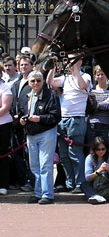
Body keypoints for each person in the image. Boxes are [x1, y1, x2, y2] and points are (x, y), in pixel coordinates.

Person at [46, 54, 92, 193]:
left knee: (75, 153)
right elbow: (51, 83)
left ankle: (80, 183)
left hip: (76, 119)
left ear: (80, 61)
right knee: (64, 154)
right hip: (63, 119)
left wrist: (75, 69)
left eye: (74, 59)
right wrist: (52, 67)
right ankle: (70, 182)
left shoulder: (85, 76)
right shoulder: (66, 78)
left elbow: (82, 85)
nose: (70, 62)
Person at [19, 71, 61, 204]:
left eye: (38, 80)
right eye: (33, 81)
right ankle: (38, 193)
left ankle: (47, 194)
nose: (36, 83)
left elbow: (56, 116)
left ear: (43, 82)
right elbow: (20, 111)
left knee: (45, 164)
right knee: (34, 165)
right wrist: (22, 120)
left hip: (46, 132)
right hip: (31, 134)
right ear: (29, 82)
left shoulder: (51, 95)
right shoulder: (26, 95)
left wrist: (39, 118)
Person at [10, 54, 34, 192]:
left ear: (31, 66)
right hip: (16, 125)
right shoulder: (16, 83)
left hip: (28, 124)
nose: (23, 67)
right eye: (21, 65)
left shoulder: (34, 83)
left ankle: (31, 181)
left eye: (26, 64)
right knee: (18, 155)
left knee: (29, 155)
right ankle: (21, 180)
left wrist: (23, 116)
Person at [81, 137, 109, 204]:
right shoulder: (89, 158)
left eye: (103, 149)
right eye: (98, 149)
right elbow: (88, 178)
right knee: (83, 184)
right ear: (94, 149)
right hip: (95, 183)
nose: (101, 151)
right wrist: (99, 170)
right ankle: (95, 196)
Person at [86, 65, 109, 146]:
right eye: (98, 74)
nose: (100, 76)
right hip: (91, 124)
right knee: (91, 149)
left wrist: (95, 105)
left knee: (105, 150)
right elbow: (88, 106)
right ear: (95, 77)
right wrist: (102, 103)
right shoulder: (91, 90)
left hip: (106, 125)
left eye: (102, 74)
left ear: (106, 75)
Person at [0, 70, 13, 196]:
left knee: (2, 155)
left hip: (2, 125)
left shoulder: (5, 89)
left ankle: (3, 184)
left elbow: (5, 108)